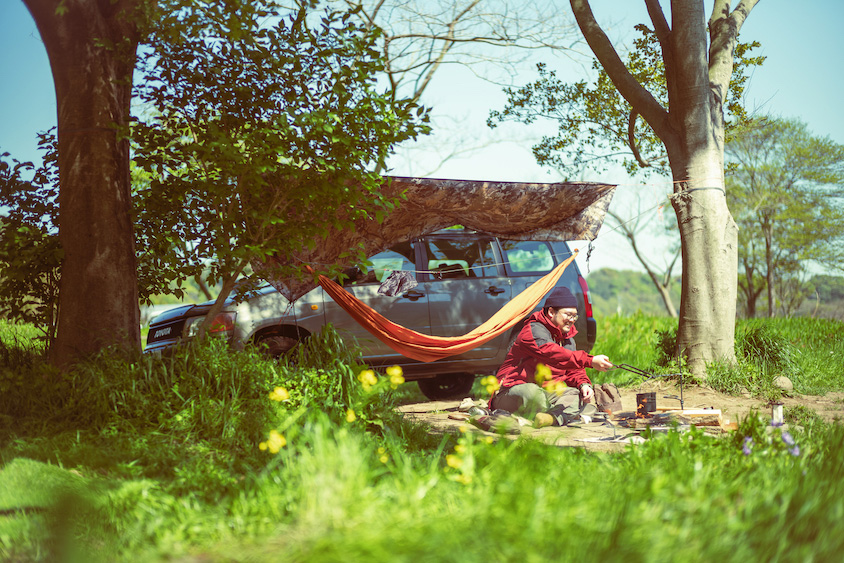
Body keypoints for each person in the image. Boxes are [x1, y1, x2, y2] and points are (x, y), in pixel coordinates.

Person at [489, 286, 613, 427]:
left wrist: (584, 384)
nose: (572, 320)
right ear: (551, 312)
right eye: (568, 315)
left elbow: (573, 369)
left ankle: (549, 418)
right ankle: (564, 415)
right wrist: (590, 360)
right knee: (533, 393)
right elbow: (552, 353)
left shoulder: (568, 339)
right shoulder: (533, 330)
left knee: (574, 394)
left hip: (548, 392)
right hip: (513, 391)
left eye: (574, 316)